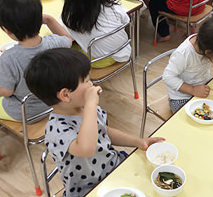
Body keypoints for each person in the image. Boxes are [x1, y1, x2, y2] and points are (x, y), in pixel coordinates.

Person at [25, 48, 164, 197]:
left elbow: (104, 131)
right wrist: (91, 105)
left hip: (113, 167)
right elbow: (86, 148)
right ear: (65, 94)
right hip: (86, 189)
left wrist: (138, 141)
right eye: (86, 81)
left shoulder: (86, 108)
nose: (91, 84)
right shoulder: (56, 129)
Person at [0, 0, 72, 175]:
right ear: (38, 20)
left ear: (6, 30)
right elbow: (69, 39)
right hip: (55, 103)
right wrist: (49, 20)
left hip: (27, 111)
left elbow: (5, 91)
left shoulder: (10, 57)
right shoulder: (53, 43)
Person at [163, 16, 213, 113]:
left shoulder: (208, 41)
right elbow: (168, 77)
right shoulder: (184, 54)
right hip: (181, 98)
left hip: (203, 87)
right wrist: (192, 89)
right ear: (209, 53)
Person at [61, 0, 130, 68]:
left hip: (98, 61)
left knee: (66, 46)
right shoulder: (114, 7)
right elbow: (126, 21)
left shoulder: (71, 17)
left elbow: (63, 37)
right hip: (123, 51)